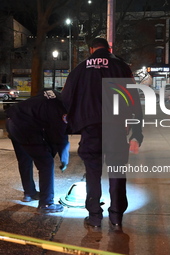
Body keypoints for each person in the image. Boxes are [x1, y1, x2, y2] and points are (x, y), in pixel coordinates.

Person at [61, 37, 144, 229]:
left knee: (92, 173)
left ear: (91, 50)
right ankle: (116, 216)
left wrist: (71, 126)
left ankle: (95, 216)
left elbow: (65, 101)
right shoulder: (121, 67)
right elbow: (135, 101)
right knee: (117, 171)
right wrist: (136, 134)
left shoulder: (79, 70)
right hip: (116, 128)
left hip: (91, 129)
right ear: (109, 49)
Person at [5, 89, 69, 213]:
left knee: (25, 158)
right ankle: (46, 204)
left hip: (11, 120)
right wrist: (63, 156)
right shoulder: (62, 109)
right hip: (24, 126)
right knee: (46, 163)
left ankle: (29, 192)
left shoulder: (52, 93)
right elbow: (60, 136)